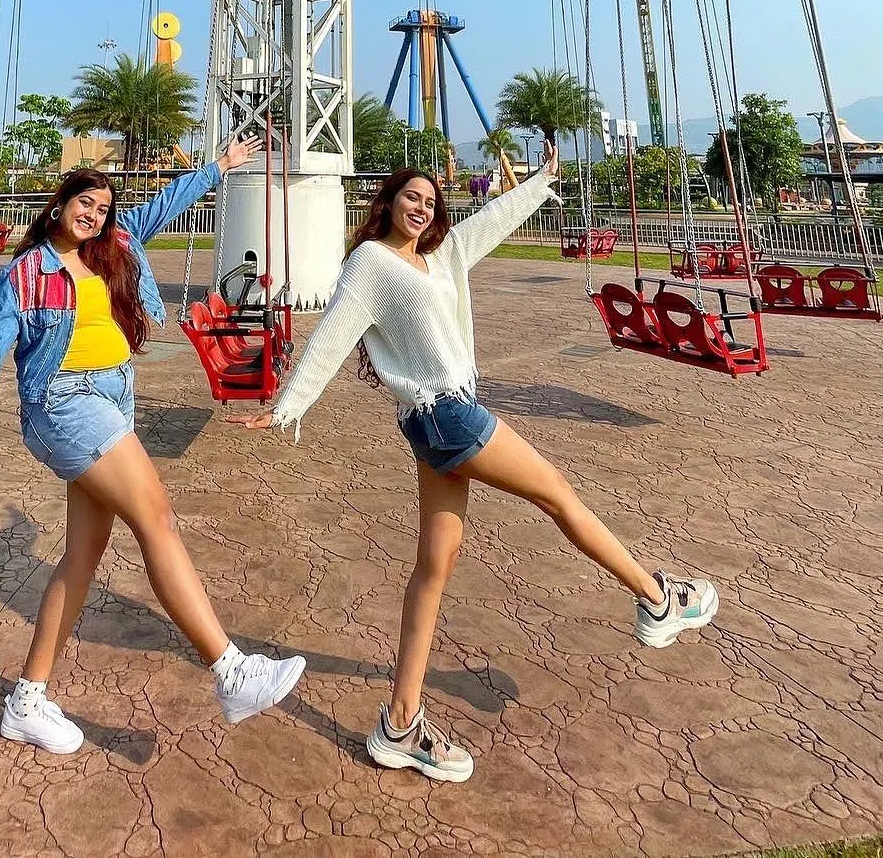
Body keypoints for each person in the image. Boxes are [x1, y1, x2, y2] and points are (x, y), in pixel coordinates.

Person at [245, 150, 718, 784]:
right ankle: (659, 601)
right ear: (386, 203)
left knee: (432, 570)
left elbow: (487, 225)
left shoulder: (437, 259)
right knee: (558, 493)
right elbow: (331, 335)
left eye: (431, 201)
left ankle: (398, 724)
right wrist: (286, 407)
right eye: (411, 197)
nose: (423, 208)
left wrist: (544, 182)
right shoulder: (372, 265)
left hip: (435, 420)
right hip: (447, 416)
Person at [0, 137, 306, 754]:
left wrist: (221, 166)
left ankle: (26, 700)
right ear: (59, 206)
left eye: (102, 208)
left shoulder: (115, 247)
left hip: (112, 398)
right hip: (63, 407)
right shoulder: (24, 277)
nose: (94, 215)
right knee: (154, 512)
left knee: (84, 554)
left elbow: (165, 205)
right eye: (84, 203)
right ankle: (231, 669)